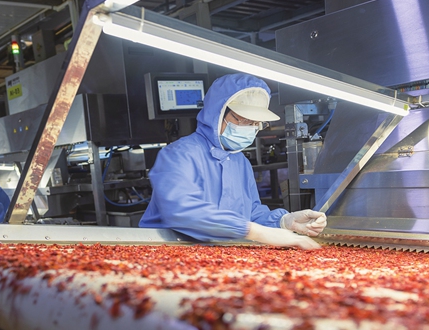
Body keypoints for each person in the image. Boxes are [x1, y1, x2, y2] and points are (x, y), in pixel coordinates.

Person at [139, 73, 327, 249]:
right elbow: (181, 210)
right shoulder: (179, 155)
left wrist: (284, 221)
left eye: (256, 124)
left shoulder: (239, 162)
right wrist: (257, 232)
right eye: (245, 121)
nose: (252, 129)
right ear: (218, 113)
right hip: (167, 250)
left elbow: (251, 213)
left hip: (217, 256)